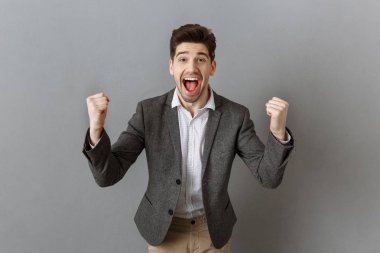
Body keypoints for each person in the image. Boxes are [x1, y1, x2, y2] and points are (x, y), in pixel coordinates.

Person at [82, 24, 294, 253]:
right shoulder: (148, 113)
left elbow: (268, 177)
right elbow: (108, 175)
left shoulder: (235, 116)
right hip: (164, 231)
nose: (191, 67)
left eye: (201, 60)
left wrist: (278, 131)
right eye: (183, 59)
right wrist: (96, 129)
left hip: (212, 231)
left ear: (212, 67)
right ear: (171, 66)